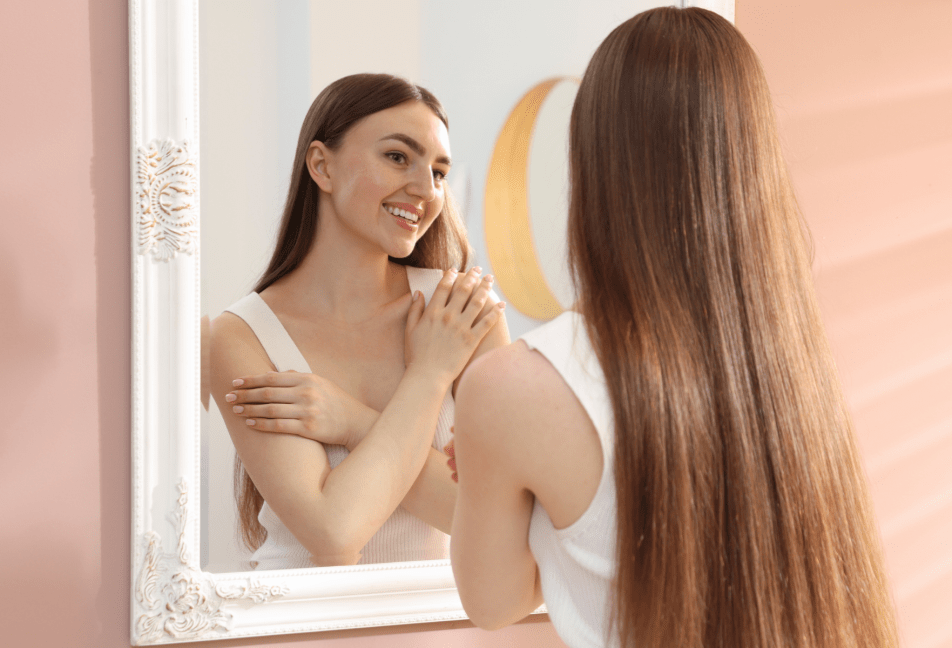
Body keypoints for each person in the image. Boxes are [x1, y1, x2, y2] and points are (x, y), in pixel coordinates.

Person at [448, 8, 898, 648]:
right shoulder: (792, 370)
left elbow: (494, 602)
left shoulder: (511, 387)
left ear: (593, 164)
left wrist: (498, 471)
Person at [209, 74, 509, 570]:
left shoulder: (461, 313)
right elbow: (333, 531)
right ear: (321, 166)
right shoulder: (243, 335)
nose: (424, 189)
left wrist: (351, 421)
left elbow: (497, 515)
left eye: (438, 171)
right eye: (397, 157)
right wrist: (430, 375)